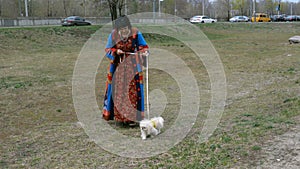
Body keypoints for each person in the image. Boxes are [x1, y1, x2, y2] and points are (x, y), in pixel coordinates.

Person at [102, 15, 149, 124]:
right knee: (118, 91)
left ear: (129, 27)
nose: (124, 31)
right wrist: (116, 51)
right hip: (118, 68)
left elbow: (144, 46)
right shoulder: (113, 35)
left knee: (132, 92)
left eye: (126, 28)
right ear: (118, 29)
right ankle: (120, 117)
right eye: (121, 29)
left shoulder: (136, 33)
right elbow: (108, 49)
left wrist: (144, 52)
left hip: (133, 68)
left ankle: (132, 117)